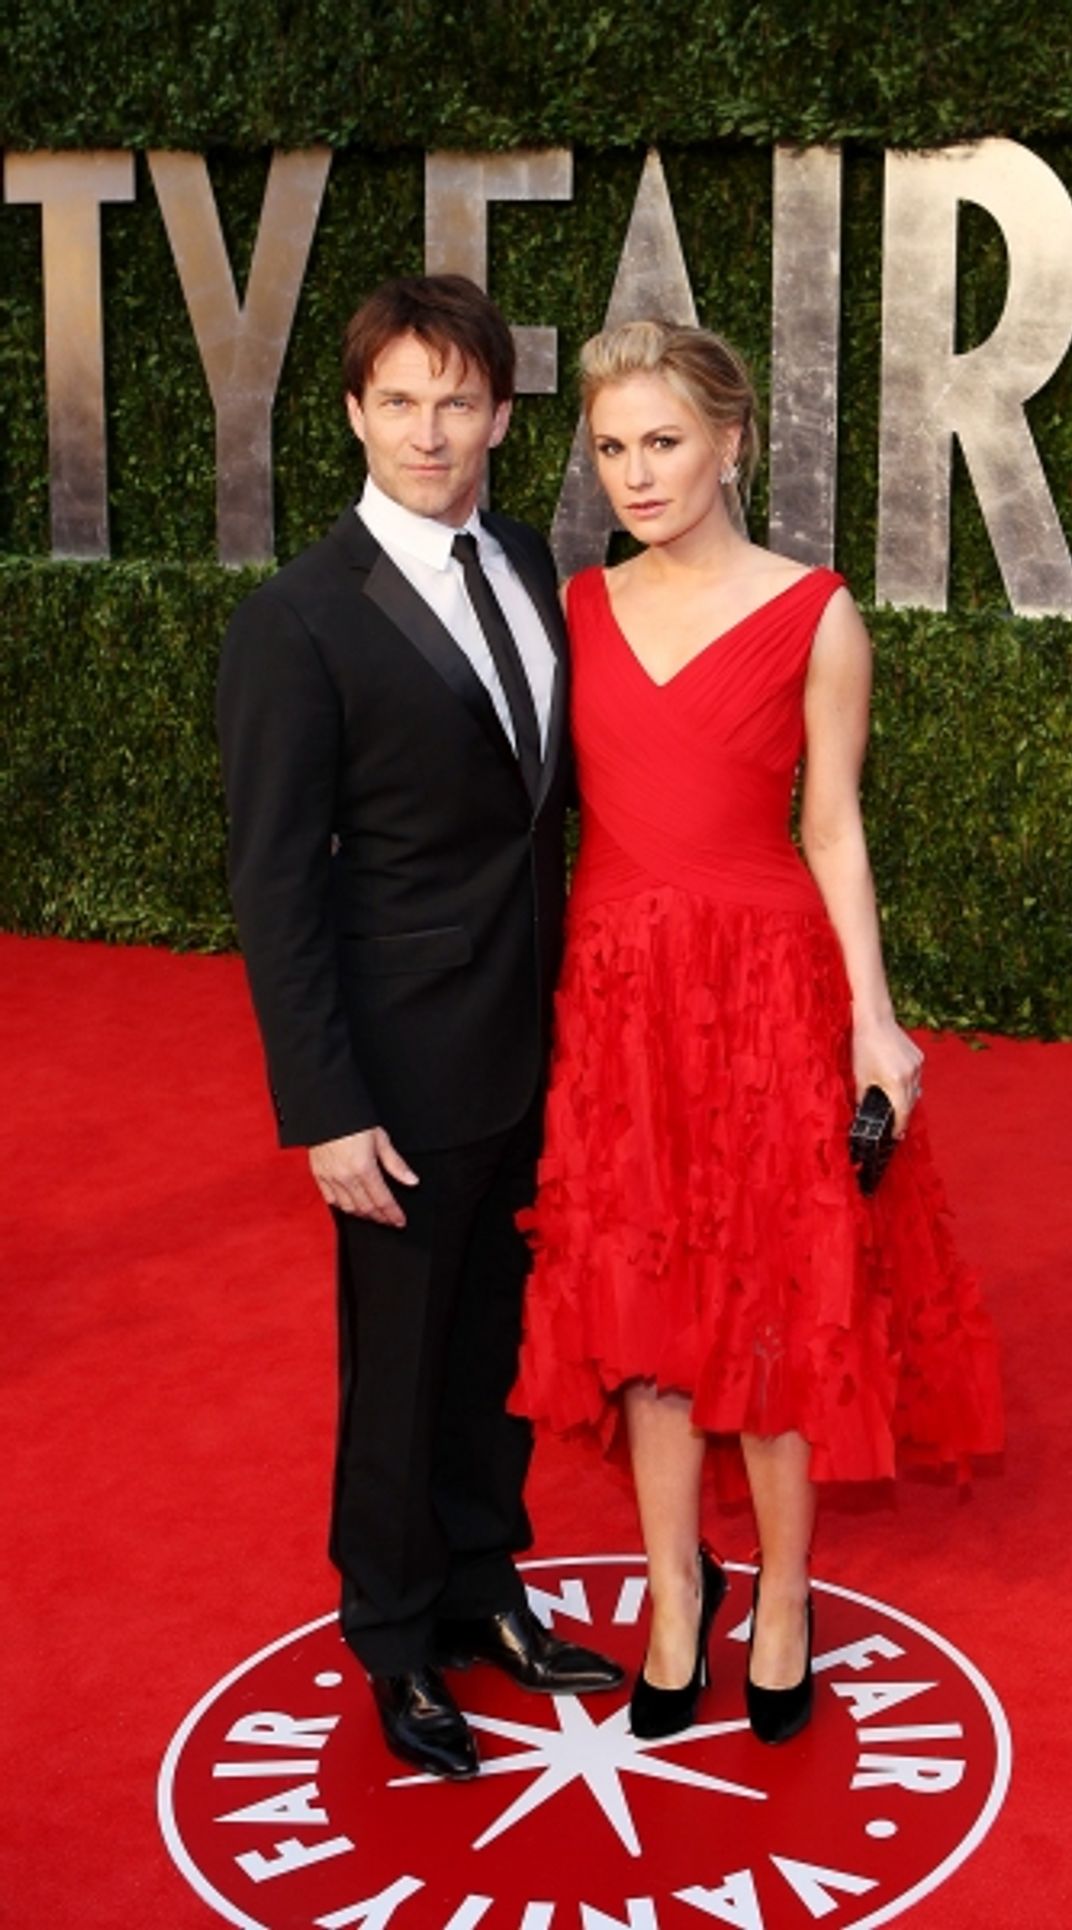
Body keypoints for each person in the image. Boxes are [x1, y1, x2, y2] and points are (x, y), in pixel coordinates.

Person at [511, 319, 1003, 1747]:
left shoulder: (818, 613)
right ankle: (678, 1594)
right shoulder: (576, 611)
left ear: (734, 441)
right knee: (651, 1324)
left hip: (763, 994)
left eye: (663, 441)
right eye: (610, 448)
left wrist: (874, 1023)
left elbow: (834, 831)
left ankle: (784, 1597)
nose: (636, 473)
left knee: (774, 1319)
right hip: (619, 1004)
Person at [216, 274, 622, 1785]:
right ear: (353, 414)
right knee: (393, 1370)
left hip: (532, 1050)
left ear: (504, 419)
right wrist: (325, 1102)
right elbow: (273, 885)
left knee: (489, 1354)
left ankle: (480, 1588)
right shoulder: (298, 620)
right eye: (400, 399)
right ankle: (391, 1638)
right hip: (393, 1072)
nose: (429, 429)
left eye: (459, 400)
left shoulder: (525, 556)